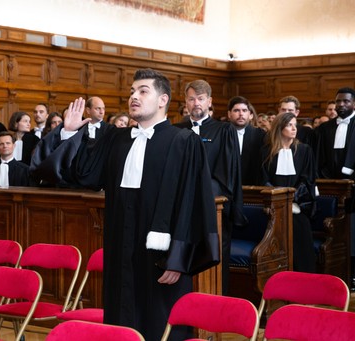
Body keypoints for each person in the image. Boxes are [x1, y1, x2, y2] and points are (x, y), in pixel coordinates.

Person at [31, 69, 218, 341]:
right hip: (121, 249)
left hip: (162, 257)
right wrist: (68, 133)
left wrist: (179, 259)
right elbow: (80, 174)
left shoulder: (184, 142)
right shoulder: (115, 139)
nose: (134, 96)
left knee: (160, 324)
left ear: (163, 99)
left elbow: (192, 203)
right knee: (120, 322)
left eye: (143, 91)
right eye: (132, 91)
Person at [174, 80, 245, 295]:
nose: (196, 103)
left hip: (214, 206)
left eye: (201, 98)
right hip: (180, 207)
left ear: (209, 101)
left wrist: (202, 194)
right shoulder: (176, 130)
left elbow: (227, 172)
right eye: (192, 98)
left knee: (214, 256)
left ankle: (215, 303)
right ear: (186, 102)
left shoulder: (224, 131)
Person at [314, 87, 355, 290]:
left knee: (354, 235)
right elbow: (320, 158)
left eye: (346, 102)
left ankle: (354, 275)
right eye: (338, 101)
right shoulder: (325, 128)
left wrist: (351, 177)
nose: (341, 105)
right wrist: (328, 180)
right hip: (329, 188)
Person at [260, 112, 317, 273]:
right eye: (289, 125)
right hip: (272, 208)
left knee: (301, 236)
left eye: (295, 125)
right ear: (279, 128)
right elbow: (263, 179)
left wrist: (291, 200)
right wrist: (275, 201)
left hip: (297, 206)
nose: (294, 128)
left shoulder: (304, 150)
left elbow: (307, 179)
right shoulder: (267, 151)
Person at [227, 96, 266, 185]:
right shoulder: (221, 134)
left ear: (251, 115)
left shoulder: (260, 135)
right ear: (229, 114)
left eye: (244, 111)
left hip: (253, 185)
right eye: (236, 110)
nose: (241, 114)